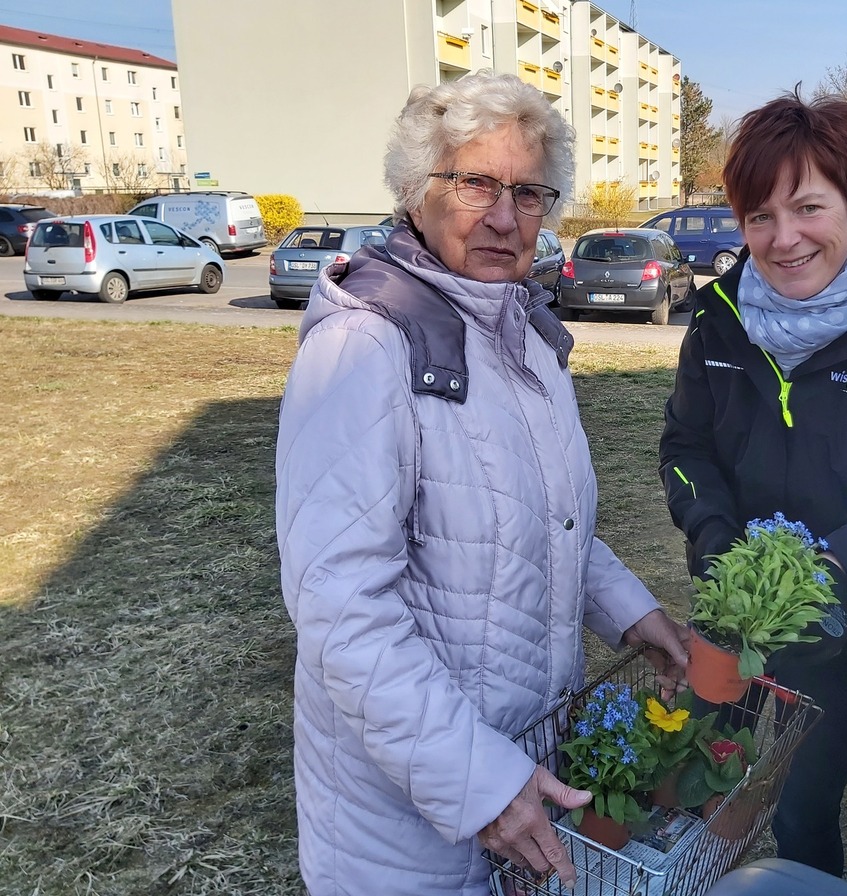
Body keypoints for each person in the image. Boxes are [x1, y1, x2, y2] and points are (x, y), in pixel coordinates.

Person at [275, 71, 688, 896]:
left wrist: (630, 612)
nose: (505, 216)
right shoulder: (364, 348)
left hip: (523, 772)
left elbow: (550, 522)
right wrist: (479, 785)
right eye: (475, 184)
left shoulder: (524, 337)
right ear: (414, 191)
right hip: (408, 829)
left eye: (529, 193)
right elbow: (342, 610)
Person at [658, 90, 847, 877]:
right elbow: (686, 446)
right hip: (734, 602)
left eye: (807, 207)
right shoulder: (718, 322)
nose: (784, 238)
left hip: (843, 621)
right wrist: (716, 542)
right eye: (759, 216)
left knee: (800, 809)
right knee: (697, 779)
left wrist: (825, 583)